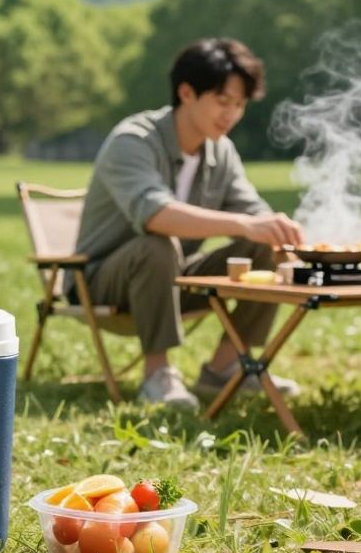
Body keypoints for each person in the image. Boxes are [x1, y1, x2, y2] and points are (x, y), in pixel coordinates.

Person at [72, 38, 305, 409]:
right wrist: (244, 225)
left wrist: (281, 235)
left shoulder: (221, 151)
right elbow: (155, 215)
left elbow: (254, 213)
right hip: (102, 280)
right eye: (223, 101)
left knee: (262, 242)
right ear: (186, 92)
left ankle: (227, 367)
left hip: (173, 276)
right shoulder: (133, 140)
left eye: (240, 104)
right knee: (158, 242)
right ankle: (157, 374)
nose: (231, 114)